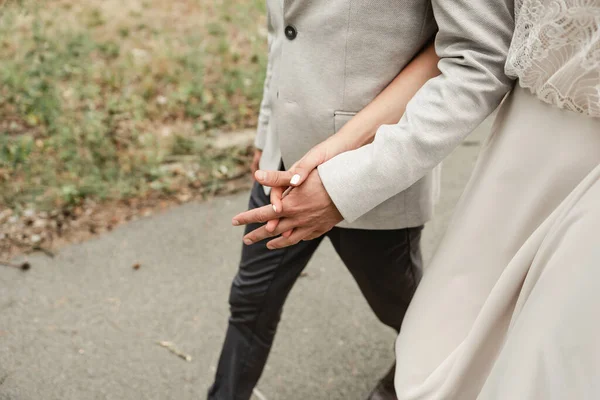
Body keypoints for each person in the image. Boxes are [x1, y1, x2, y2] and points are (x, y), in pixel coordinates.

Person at [234, 0, 600, 398]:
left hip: (395, 177)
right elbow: (287, 33)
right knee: (251, 297)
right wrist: (278, 136)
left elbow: (475, 55)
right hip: (516, 164)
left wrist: (347, 183)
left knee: (541, 351)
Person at [208, 1, 441, 399]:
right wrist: (267, 132)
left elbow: (459, 49)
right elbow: (284, 34)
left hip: (372, 171)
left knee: (402, 307)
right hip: (283, 168)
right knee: (250, 300)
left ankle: (424, 375)